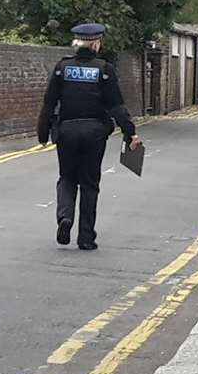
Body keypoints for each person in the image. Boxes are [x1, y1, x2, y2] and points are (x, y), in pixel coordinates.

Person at [38, 22, 141, 251]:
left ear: (76, 43)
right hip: (94, 132)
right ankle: (86, 237)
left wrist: (43, 133)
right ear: (96, 44)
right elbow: (116, 105)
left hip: (66, 131)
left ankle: (65, 217)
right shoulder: (104, 69)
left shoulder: (62, 68)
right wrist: (130, 131)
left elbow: (49, 102)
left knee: (66, 177)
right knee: (89, 184)